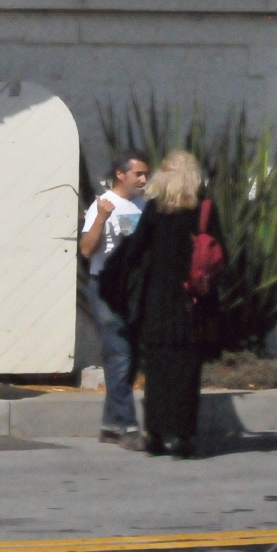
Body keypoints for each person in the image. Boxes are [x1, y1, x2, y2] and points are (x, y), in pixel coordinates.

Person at [101, 149, 223, 458]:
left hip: (157, 302)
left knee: (157, 370)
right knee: (186, 370)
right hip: (192, 303)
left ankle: (155, 434)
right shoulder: (205, 210)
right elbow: (222, 258)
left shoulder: (154, 211)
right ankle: (182, 438)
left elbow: (132, 252)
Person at [79, 151, 149, 450]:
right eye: (138, 174)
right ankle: (128, 428)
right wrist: (102, 217)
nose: (144, 179)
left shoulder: (145, 206)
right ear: (121, 174)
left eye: (146, 174)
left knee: (127, 357)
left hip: (134, 289)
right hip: (106, 287)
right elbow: (86, 249)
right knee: (119, 355)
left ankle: (110, 425)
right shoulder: (104, 204)